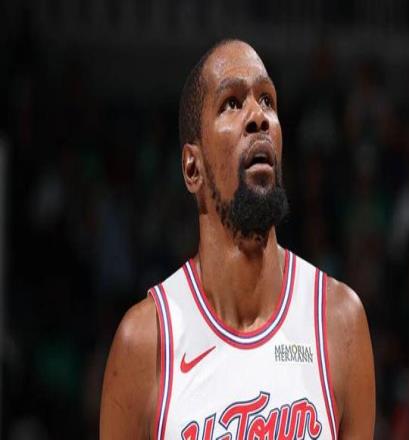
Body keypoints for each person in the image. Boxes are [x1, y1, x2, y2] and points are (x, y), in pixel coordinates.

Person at [100, 39, 375, 439]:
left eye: (267, 100)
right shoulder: (145, 343)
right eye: (231, 103)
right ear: (192, 168)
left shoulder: (340, 322)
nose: (258, 117)